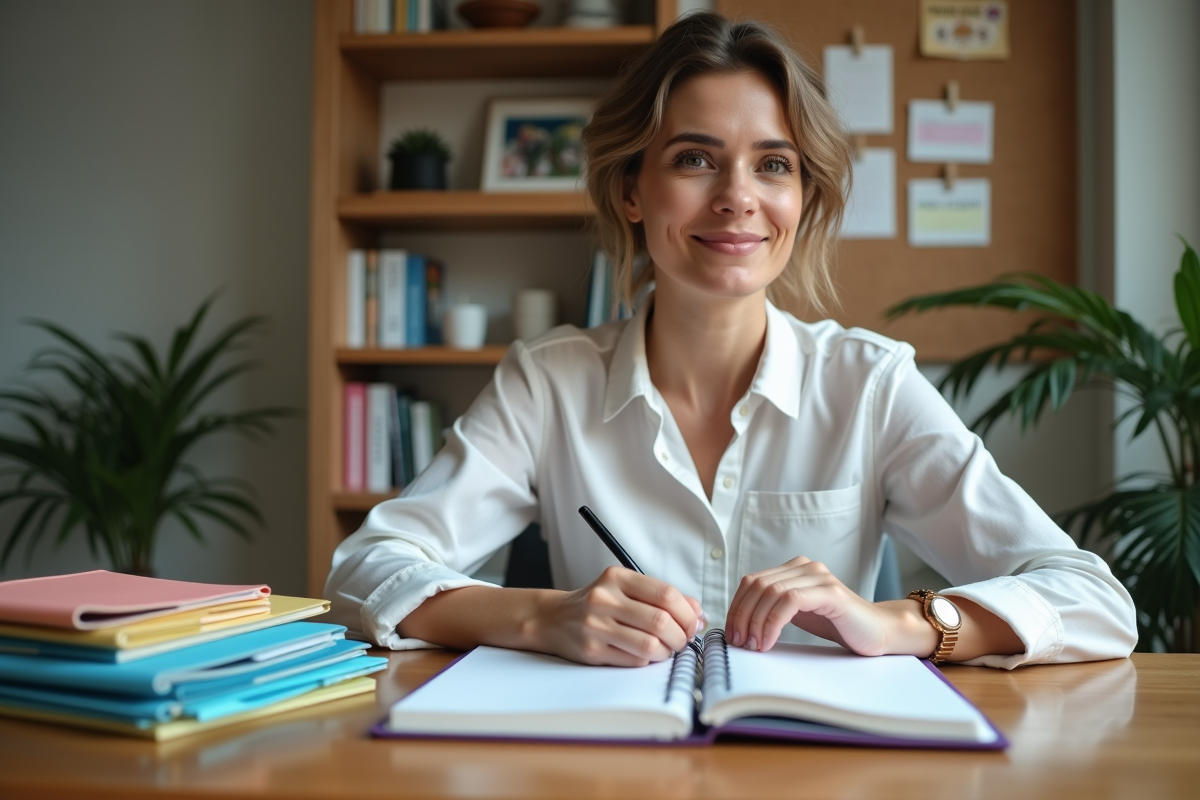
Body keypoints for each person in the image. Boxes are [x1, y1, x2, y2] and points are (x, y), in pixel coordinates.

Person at [325, 12, 1136, 669]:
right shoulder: (549, 381)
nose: (738, 199)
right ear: (632, 190)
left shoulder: (870, 384)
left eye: (774, 165)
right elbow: (363, 571)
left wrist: (899, 624)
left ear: (804, 196)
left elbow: (1093, 600)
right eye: (694, 160)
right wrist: (542, 616)